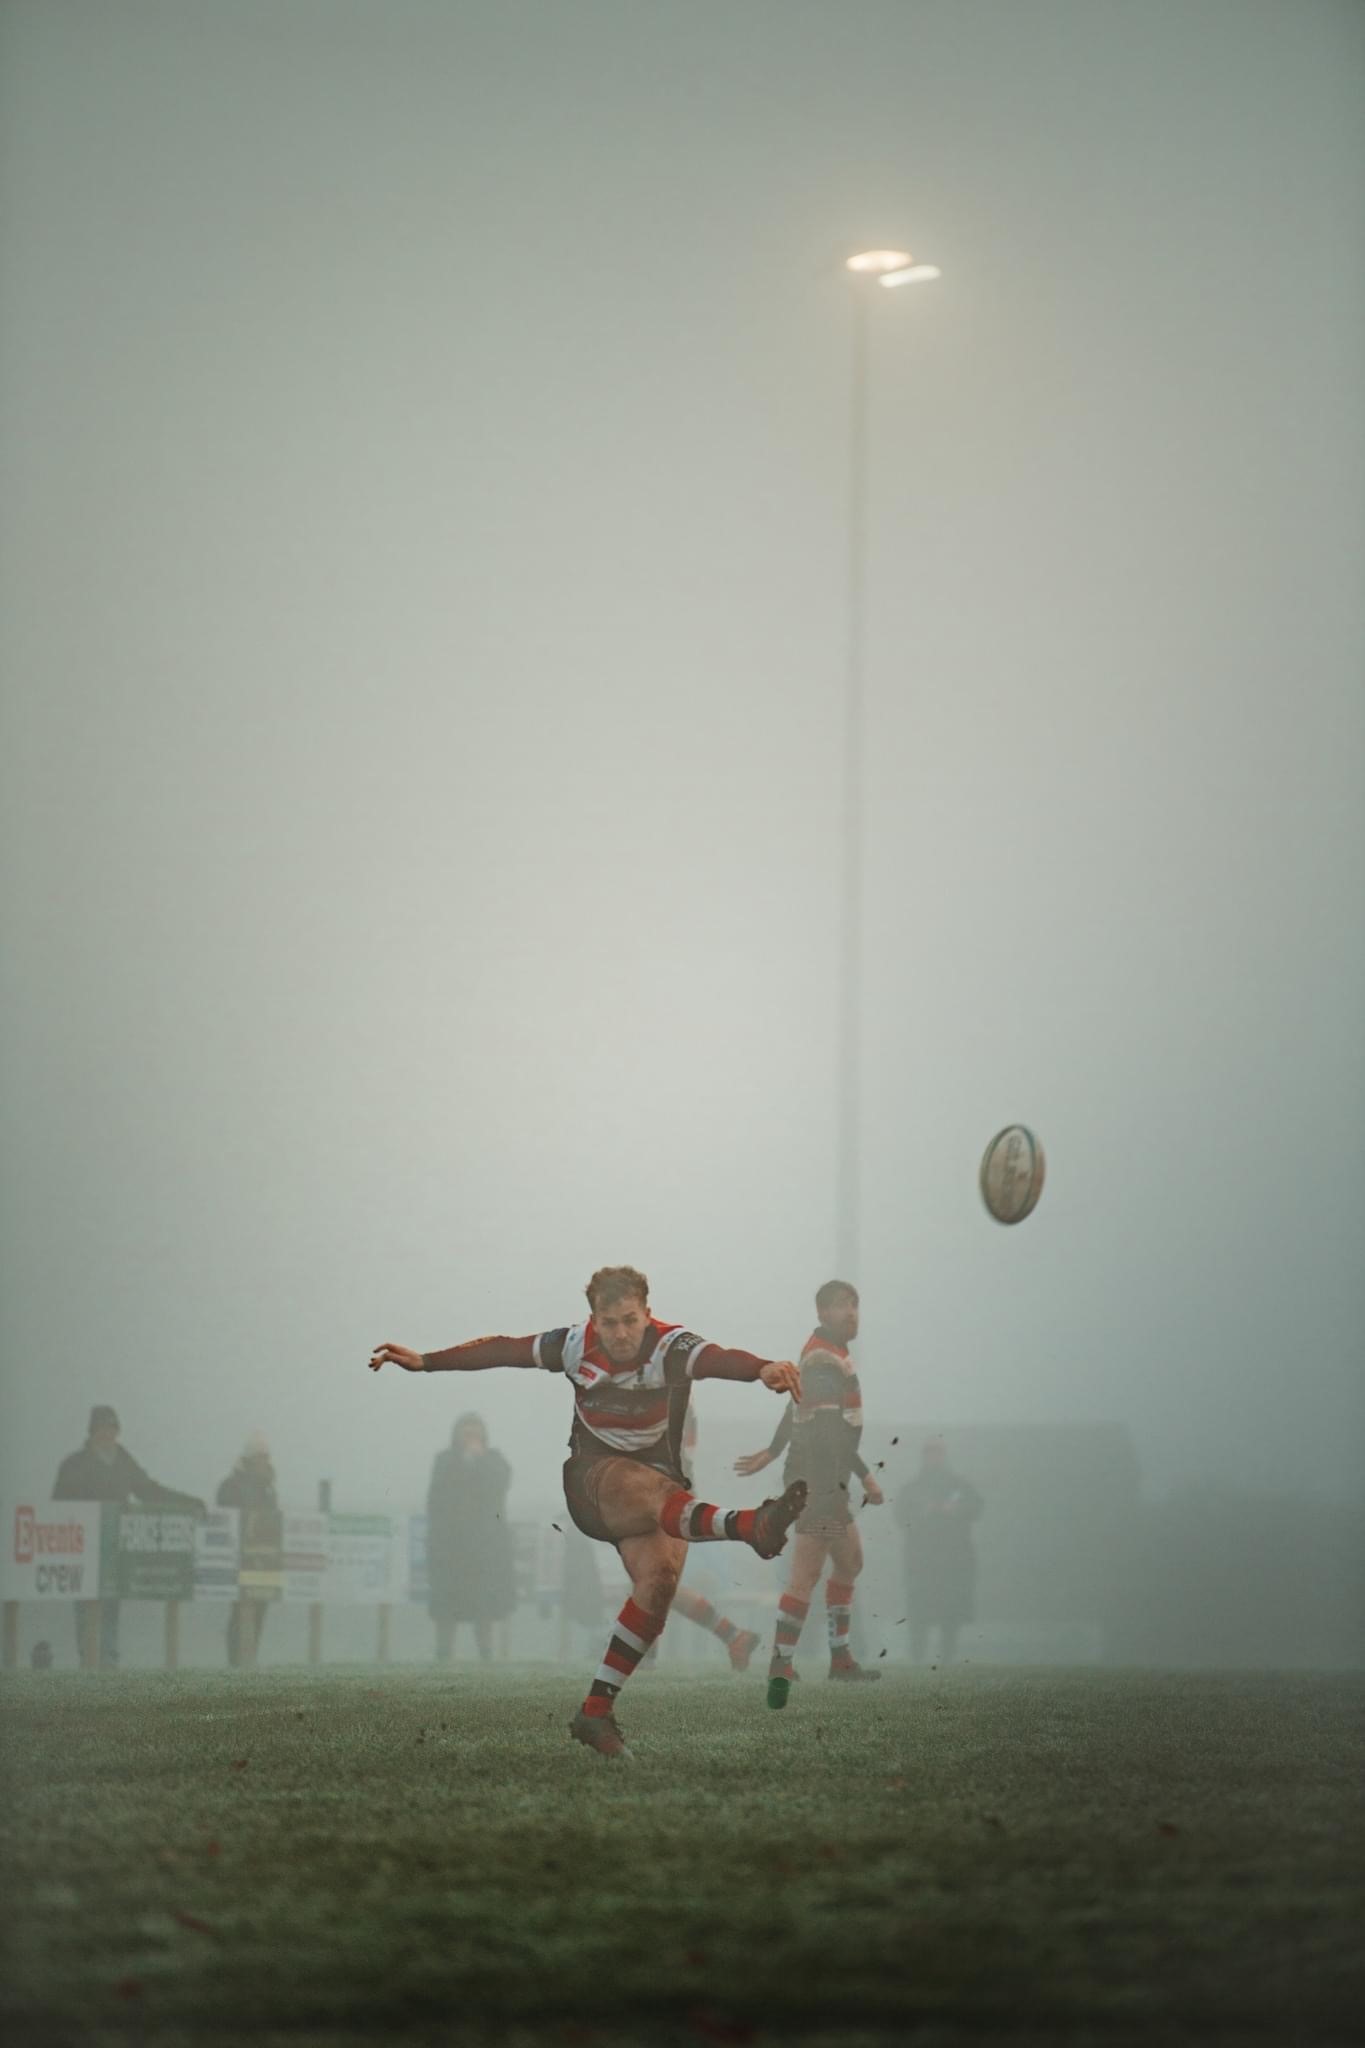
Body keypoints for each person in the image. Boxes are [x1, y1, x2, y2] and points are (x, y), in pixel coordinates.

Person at [370, 1264, 806, 1757]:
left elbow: (720, 1358)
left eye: (629, 1320)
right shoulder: (575, 1345)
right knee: (646, 1487)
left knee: (659, 1583)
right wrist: (427, 1360)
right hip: (594, 1482)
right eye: (609, 1322)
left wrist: (762, 1368)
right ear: (593, 1319)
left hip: (660, 1493)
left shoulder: (671, 1346)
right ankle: (750, 1525)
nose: (619, 1333)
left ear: (647, 1314)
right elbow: (506, 1349)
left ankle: (595, 1712)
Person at [734, 1280, 884, 1706]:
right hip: (819, 1480)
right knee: (807, 1572)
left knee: (850, 1561)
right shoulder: (822, 1358)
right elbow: (825, 1428)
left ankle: (838, 1660)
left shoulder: (825, 1354)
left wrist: (773, 1449)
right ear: (822, 1313)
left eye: (855, 1305)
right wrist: (866, 1475)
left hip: (826, 1478)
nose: (851, 1313)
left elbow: (796, 1403)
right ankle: (781, 1664)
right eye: (841, 1307)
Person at [52, 1405, 205, 1666]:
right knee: (86, 1605)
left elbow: (148, 1490)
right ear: (92, 1431)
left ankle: (109, 1661)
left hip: (115, 1551)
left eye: (112, 1428)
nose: (108, 1434)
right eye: (102, 1428)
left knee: (111, 1604)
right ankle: (87, 1659)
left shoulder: (123, 1460)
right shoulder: (74, 1465)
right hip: (82, 1551)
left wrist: (189, 1503)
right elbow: (57, 1506)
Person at [426, 1413, 516, 1662]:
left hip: (485, 1547)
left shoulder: (495, 1460)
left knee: (484, 1605)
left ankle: (485, 1653)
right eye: (466, 1434)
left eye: (475, 1434)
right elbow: (435, 1499)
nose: (470, 1438)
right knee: (447, 1605)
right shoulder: (444, 1461)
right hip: (451, 1547)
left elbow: (501, 1483)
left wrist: (481, 1459)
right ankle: (443, 1653)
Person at [895, 1437, 983, 1665]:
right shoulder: (912, 1489)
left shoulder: (959, 1487)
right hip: (921, 1562)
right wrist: (924, 1511)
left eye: (938, 1454)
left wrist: (955, 1509)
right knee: (919, 1613)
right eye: (930, 1454)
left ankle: (947, 1658)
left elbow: (976, 1507)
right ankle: (917, 1657)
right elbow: (901, 1516)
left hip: (953, 1562)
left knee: (950, 1613)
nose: (934, 1459)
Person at [216, 1431, 280, 1667]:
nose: (263, 1462)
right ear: (248, 1460)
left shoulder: (269, 1489)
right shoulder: (230, 1487)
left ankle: (249, 1660)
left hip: (264, 1562)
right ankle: (235, 1663)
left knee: (260, 1610)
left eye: (265, 1458)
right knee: (240, 1612)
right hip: (239, 1561)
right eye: (259, 1458)